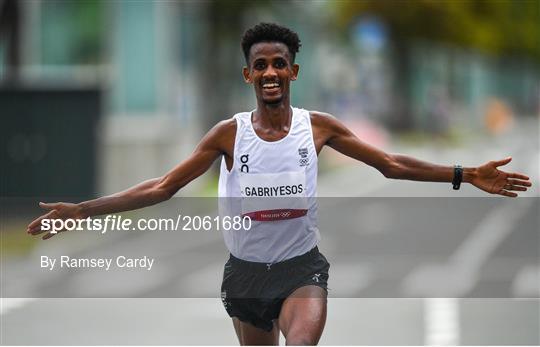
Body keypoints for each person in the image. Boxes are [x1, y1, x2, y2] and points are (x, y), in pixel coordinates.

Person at [27, 23, 531, 345]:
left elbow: (389, 164)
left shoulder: (319, 128)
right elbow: (162, 186)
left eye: (279, 64)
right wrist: (83, 210)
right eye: (261, 65)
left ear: (294, 70)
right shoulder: (229, 134)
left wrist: (465, 174)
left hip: (301, 270)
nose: (271, 72)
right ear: (248, 75)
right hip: (245, 276)